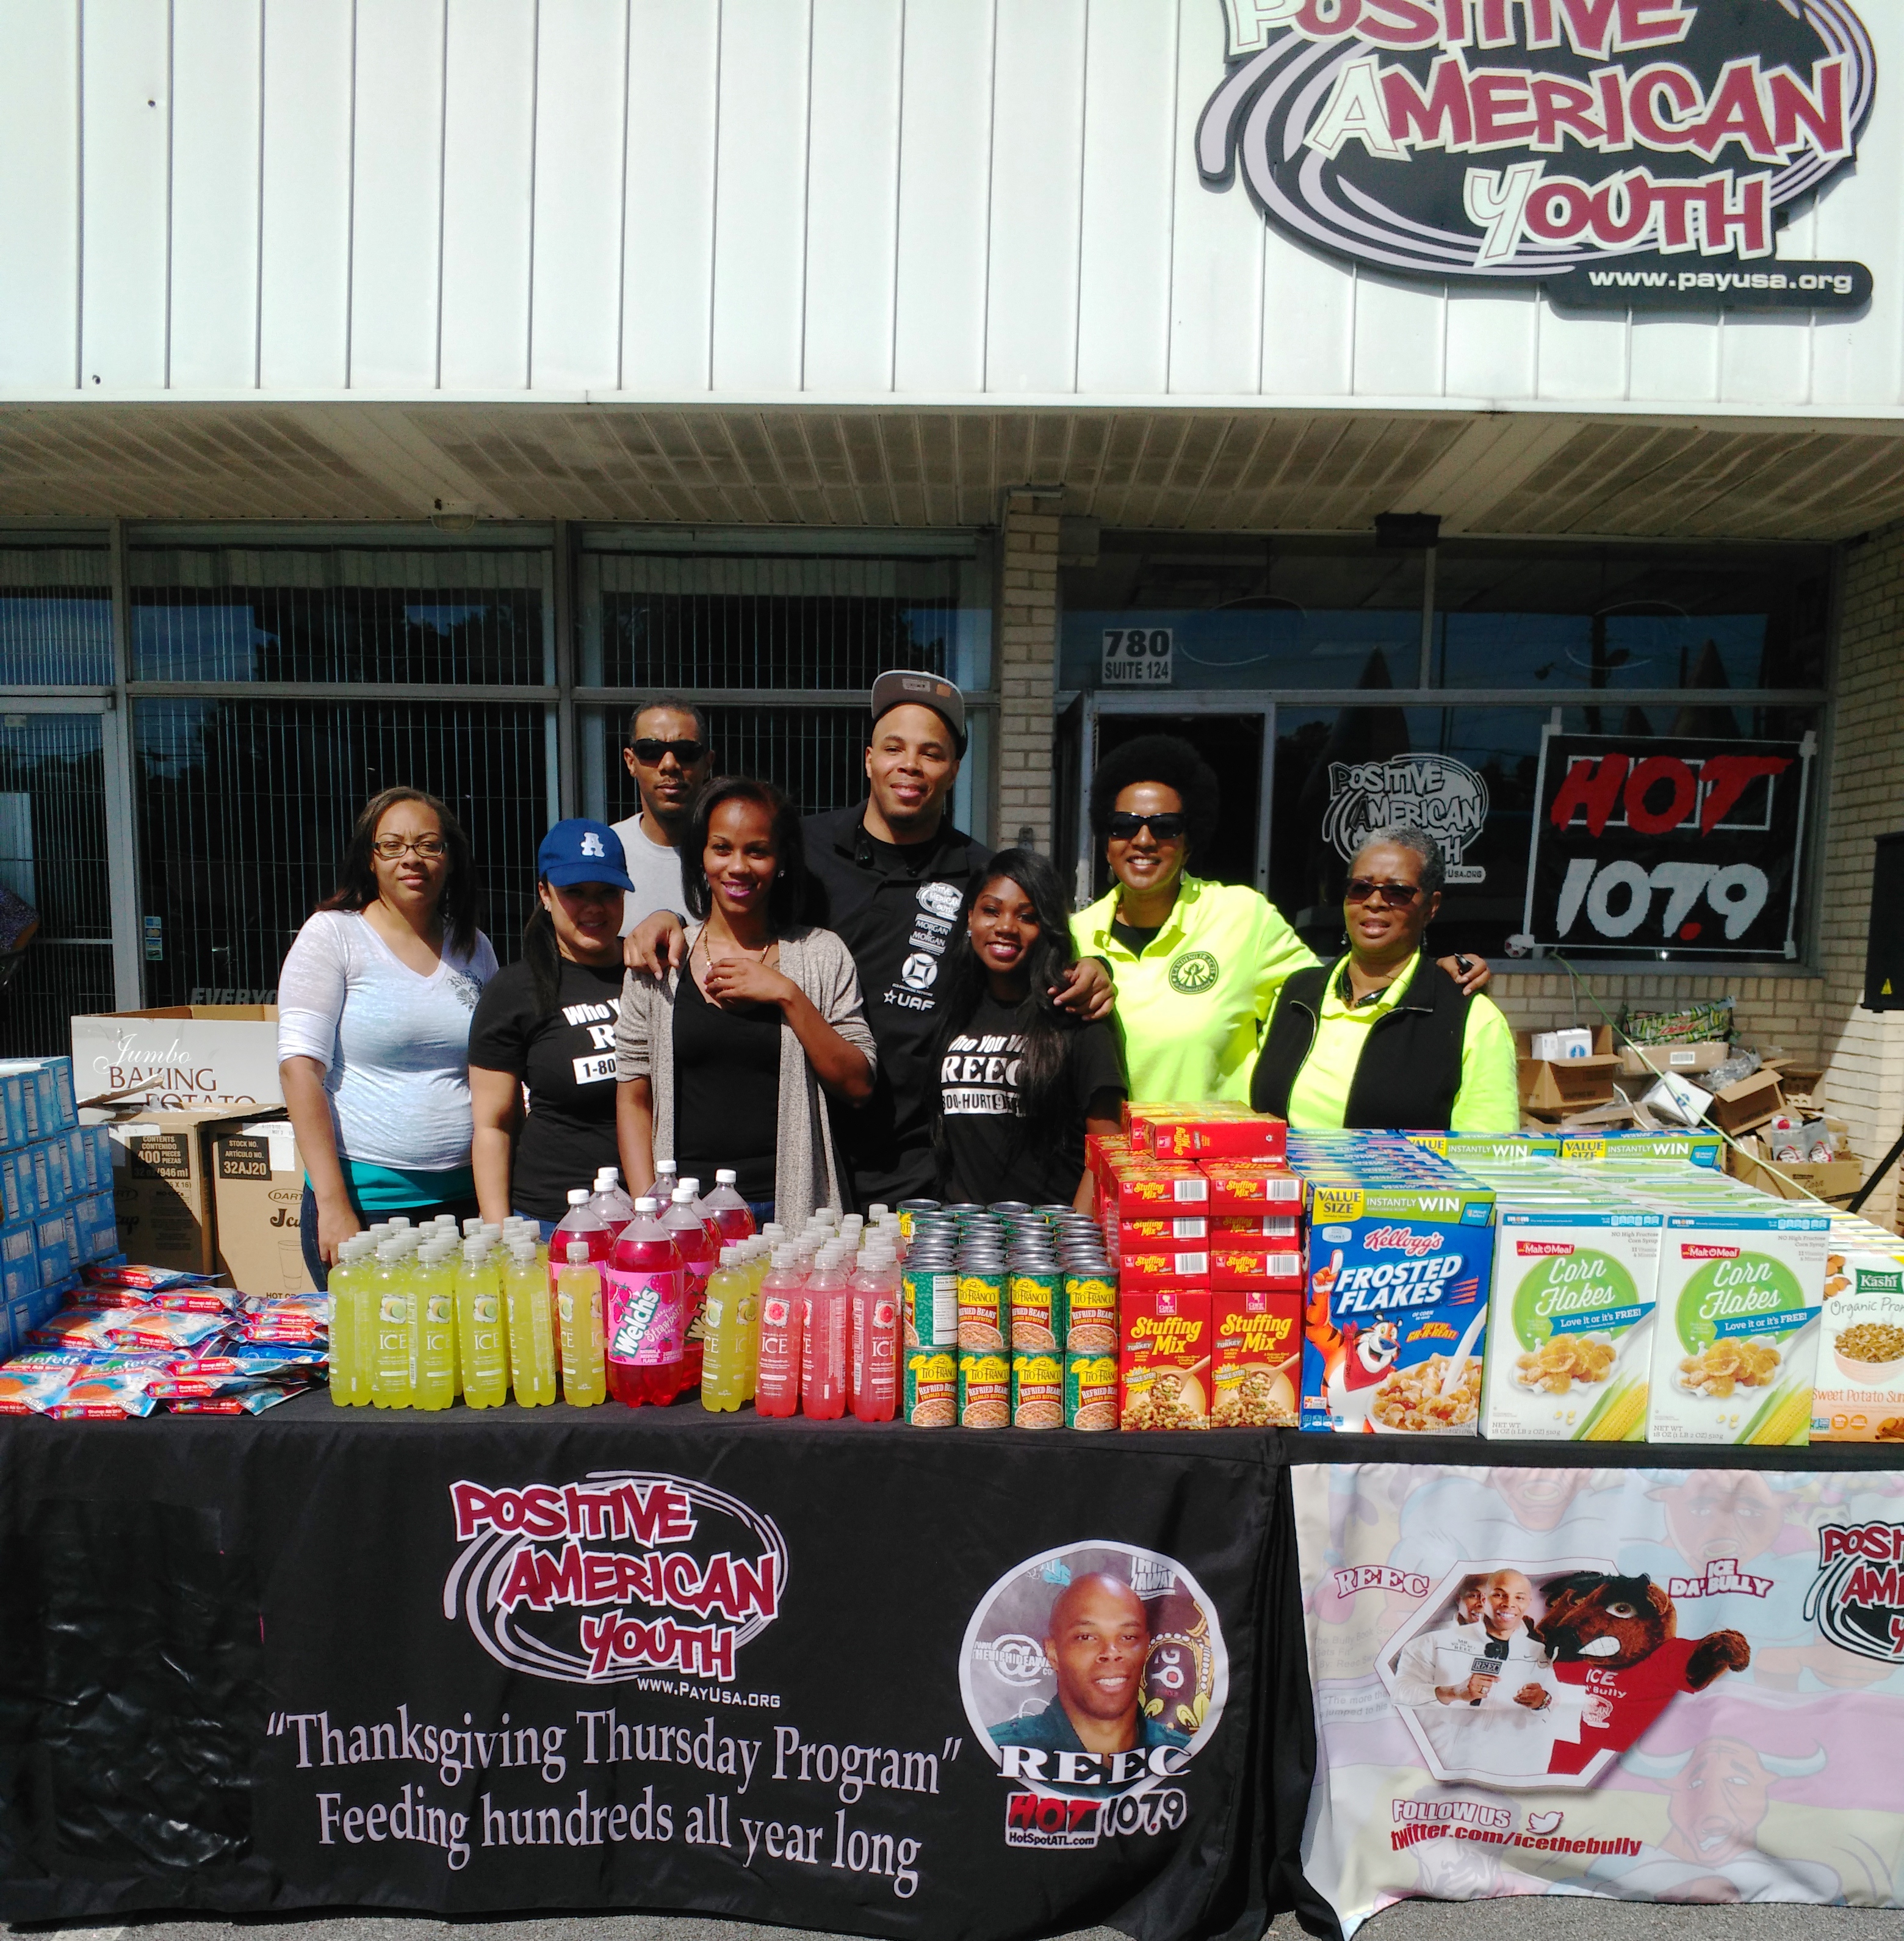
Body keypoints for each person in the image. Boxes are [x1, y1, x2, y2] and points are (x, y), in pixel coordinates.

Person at [626, 670, 1111, 1207]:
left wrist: (1094, 968)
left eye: (931, 753)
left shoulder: (980, 876)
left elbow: (1031, 953)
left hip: (918, 1163)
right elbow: (736, 903)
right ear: (868, 759)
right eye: (894, 747)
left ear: (954, 769)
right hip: (799, 1147)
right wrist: (668, 918)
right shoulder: (806, 847)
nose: (910, 764)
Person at [1074, 736, 1488, 1106]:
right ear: (1106, 842)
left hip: (1211, 1160)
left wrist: (1428, 977)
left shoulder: (1241, 917)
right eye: (1124, 826)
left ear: (1189, 842)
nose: (1143, 840)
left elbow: (1335, 996)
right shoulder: (1074, 935)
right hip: (1099, 1157)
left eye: (1165, 827)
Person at [615, 776, 876, 1226]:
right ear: (700, 856)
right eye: (722, 849)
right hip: (684, 1213)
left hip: (789, 1212)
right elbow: (634, 1098)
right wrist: (648, 1211)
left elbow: (858, 1085)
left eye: (757, 851)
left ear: (781, 861)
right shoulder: (662, 960)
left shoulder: (821, 954)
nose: (737, 867)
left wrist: (787, 994)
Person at [277, 787, 497, 1287]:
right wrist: (333, 1204)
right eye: (392, 845)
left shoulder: (475, 947)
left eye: (429, 845)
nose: (411, 858)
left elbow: (494, 1071)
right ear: (369, 859)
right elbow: (299, 1070)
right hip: (367, 1208)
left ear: (451, 858)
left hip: (465, 1207)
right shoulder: (333, 936)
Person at [1250, 825, 1519, 1131]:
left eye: (1397, 892)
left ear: (1431, 907)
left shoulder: (1469, 1018)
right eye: (1360, 888)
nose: (1375, 901)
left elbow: (1484, 1151)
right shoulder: (1297, 995)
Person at [466, 819, 635, 1236]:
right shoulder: (513, 989)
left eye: (607, 892)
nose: (594, 908)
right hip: (550, 1218)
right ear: (544, 893)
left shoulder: (651, 971)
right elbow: (492, 1126)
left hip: (649, 1213)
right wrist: (500, 1233)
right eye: (575, 893)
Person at [932, 850, 1125, 1212]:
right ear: (970, 916)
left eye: (1027, 916)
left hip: (1047, 1237)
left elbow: (1107, 1147)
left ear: (1047, 927)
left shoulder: (1076, 1011)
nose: (1006, 926)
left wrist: (1069, 1237)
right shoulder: (953, 1006)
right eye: (991, 910)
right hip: (967, 1235)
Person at [1391, 1569, 1572, 1781]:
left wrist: (1542, 1701)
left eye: (1519, 1598)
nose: (1509, 1604)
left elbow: (1557, 1708)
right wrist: (1453, 1692)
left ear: (1528, 1603)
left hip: (1511, 1775)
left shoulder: (1540, 1653)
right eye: (1500, 1595)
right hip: (1443, 1771)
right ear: (1485, 1599)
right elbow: (1400, 1692)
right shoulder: (1433, 1643)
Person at [989, 1573, 1188, 1758]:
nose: (1111, 1652)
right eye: (1086, 1637)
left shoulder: (1186, 1757)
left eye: (1128, 1637)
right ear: (1053, 1653)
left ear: (1146, 1648)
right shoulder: (998, 1753)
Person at [611, 697, 715, 935]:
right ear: (630, 762)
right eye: (651, 751)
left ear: (708, 763)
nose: (669, 764)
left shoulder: (733, 858)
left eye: (686, 752)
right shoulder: (608, 850)